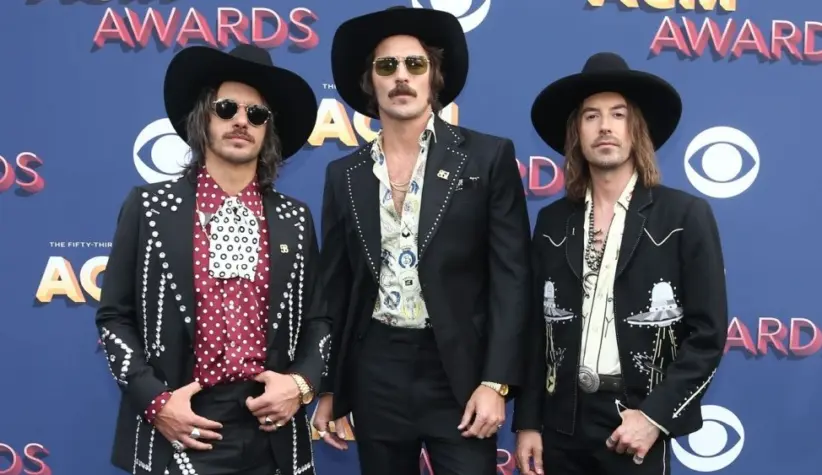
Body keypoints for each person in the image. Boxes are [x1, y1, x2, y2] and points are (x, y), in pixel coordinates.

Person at [310, 6, 532, 475]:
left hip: (460, 372)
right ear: (370, 83)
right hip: (376, 370)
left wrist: (496, 382)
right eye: (386, 66)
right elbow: (334, 288)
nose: (401, 77)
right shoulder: (343, 174)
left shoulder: (487, 157)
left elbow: (512, 279)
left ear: (435, 78)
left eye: (415, 64)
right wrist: (329, 386)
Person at [95, 44, 331, 475]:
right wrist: (156, 402)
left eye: (257, 114)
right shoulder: (148, 207)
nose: (242, 121)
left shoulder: (295, 218)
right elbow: (114, 317)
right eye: (227, 108)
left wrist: (299, 386)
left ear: (268, 131)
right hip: (181, 422)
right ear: (203, 117)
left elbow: (319, 320)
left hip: (270, 427)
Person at [513, 52, 728, 475]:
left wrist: (653, 417)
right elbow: (536, 331)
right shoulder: (553, 222)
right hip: (561, 422)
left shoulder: (684, 216)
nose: (606, 126)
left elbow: (707, 336)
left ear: (637, 130)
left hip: (635, 420)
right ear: (577, 133)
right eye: (591, 116)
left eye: (618, 114)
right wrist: (528, 423)